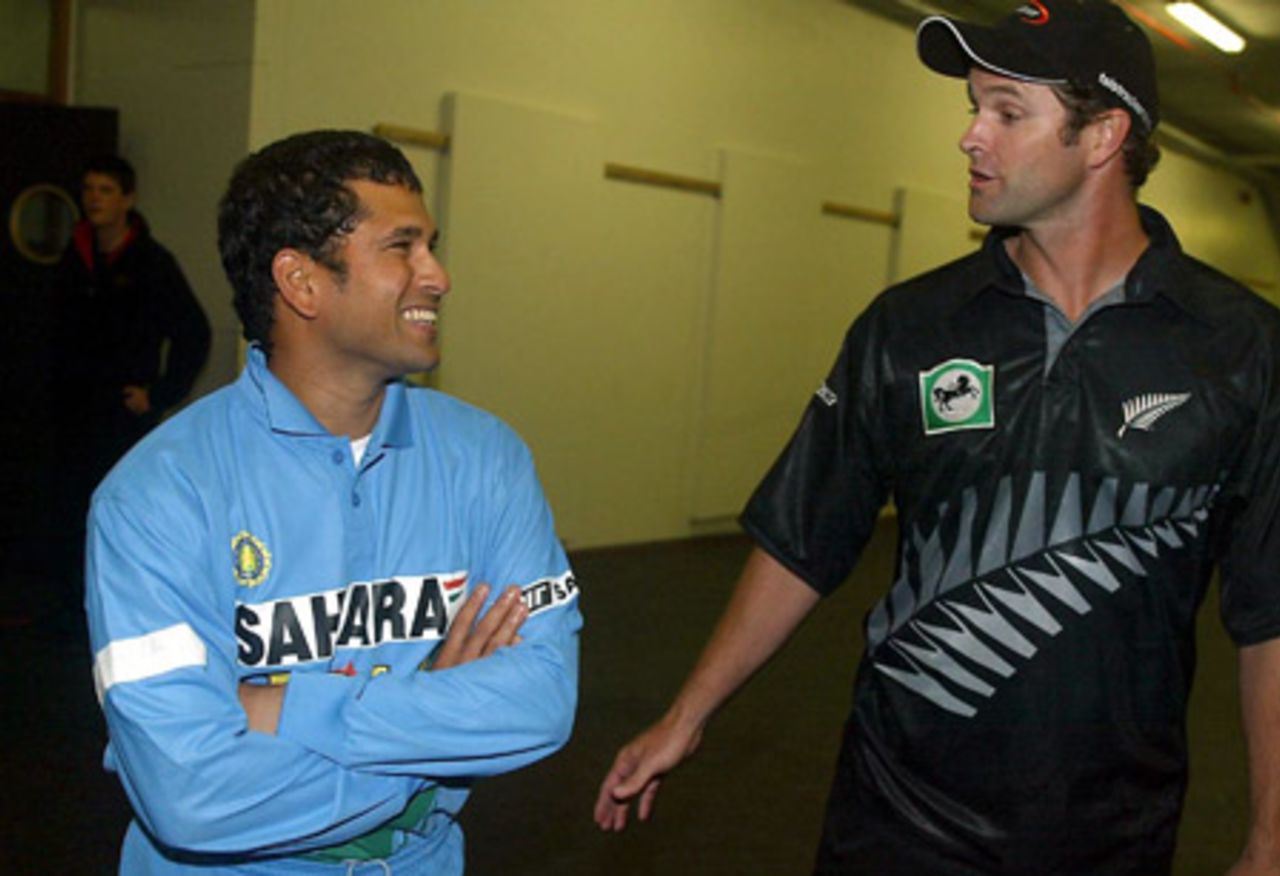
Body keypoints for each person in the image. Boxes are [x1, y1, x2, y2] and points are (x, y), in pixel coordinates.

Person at [595, 2, 1280, 874]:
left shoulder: (1241, 350)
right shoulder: (908, 327)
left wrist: (1270, 837)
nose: (970, 138)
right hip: (895, 823)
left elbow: (1270, 612)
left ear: (1103, 135)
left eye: (1006, 111)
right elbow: (807, 536)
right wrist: (687, 713)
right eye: (972, 107)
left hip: (1110, 834)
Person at [85, 130, 581, 874]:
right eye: (402, 248)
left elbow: (540, 701)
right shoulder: (157, 495)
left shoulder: (487, 460)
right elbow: (192, 796)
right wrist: (438, 713)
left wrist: (284, 707)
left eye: (432, 246)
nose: (438, 276)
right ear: (302, 282)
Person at [53, 154, 211, 614]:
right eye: (88, 191)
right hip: (72, 408)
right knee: (68, 510)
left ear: (127, 199)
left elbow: (193, 332)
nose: (94, 200)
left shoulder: (151, 263)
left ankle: (118, 604)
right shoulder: (74, 257)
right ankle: (67, 610)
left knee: (117, 508)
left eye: (105, 191)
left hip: (122, 413)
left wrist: (158, 394)